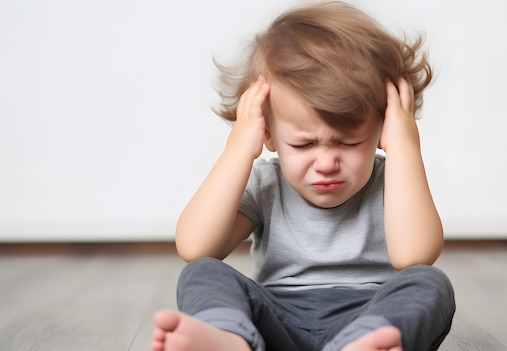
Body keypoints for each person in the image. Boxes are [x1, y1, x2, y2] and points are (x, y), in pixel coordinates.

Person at [151, 1, 455, 350]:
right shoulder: (266, 184)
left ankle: (365, 344)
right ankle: (229, 340)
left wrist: (405, 149)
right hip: (272, 321)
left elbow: (414, 256)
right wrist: (237, 151)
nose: (326, 162)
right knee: (202, 272)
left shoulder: (394, 182)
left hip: (368, 315)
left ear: (383, 129)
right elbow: (195, 246)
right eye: (304, 144)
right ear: (267, 133)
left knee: (429, 282)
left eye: (348, 142)